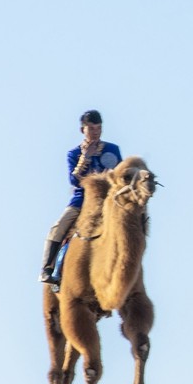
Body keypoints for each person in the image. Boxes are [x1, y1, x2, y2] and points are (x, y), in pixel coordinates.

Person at [39, 110, 123, 283]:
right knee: (58, 227)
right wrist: (85, 158)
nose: (95, 132)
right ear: (82, 130)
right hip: (82, 200)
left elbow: (121, 175)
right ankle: (46, 269)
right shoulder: (74, 154)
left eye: (98, 128)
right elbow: (74, 180)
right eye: (91, 128)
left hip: (109, 199)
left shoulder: (112, 149)